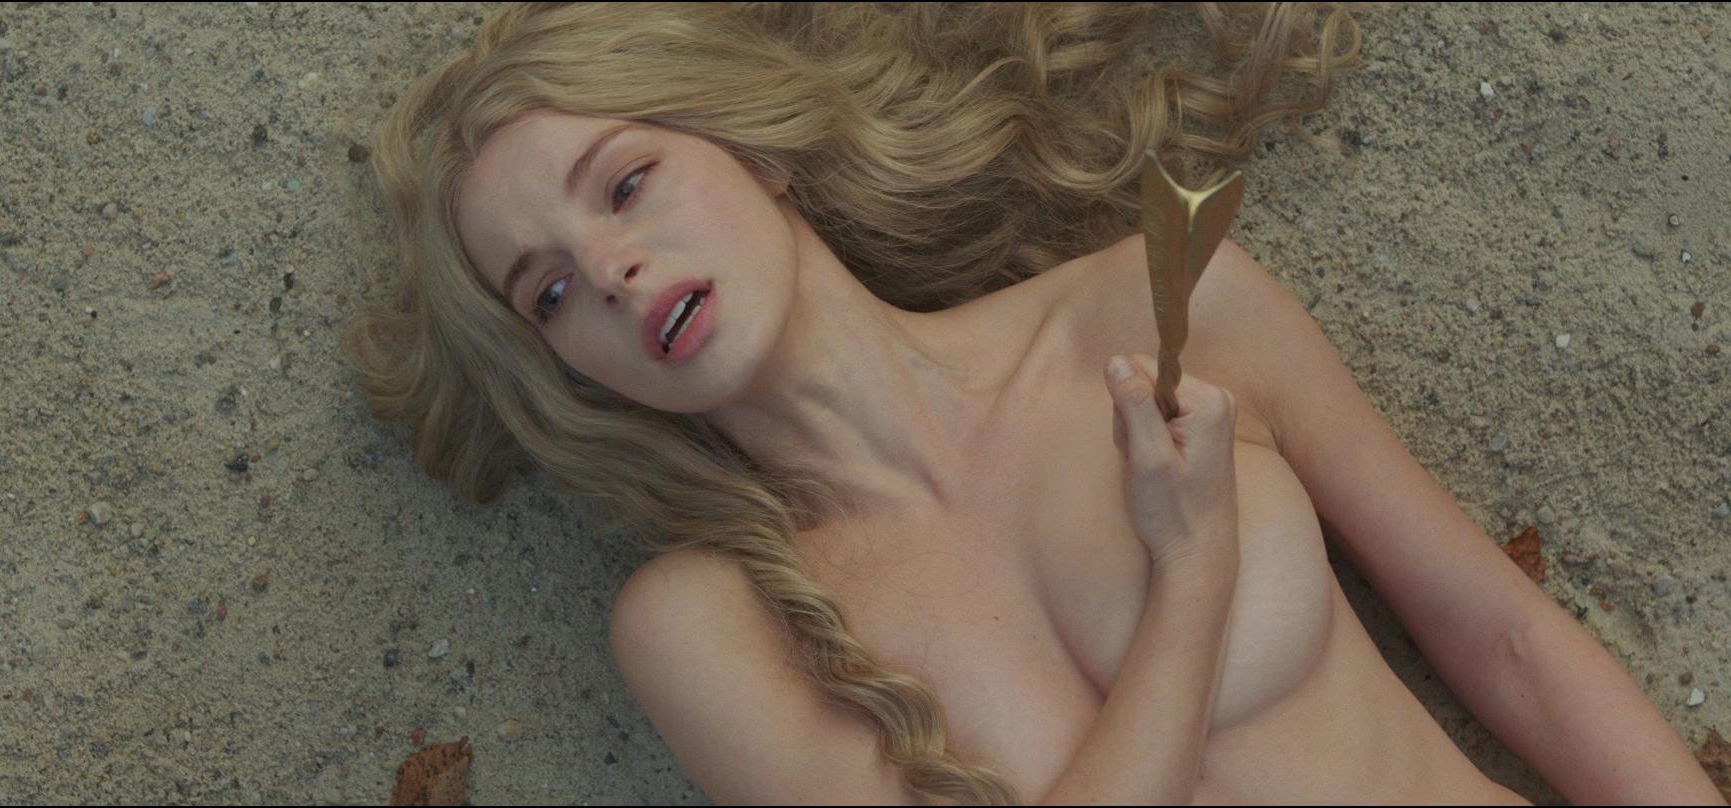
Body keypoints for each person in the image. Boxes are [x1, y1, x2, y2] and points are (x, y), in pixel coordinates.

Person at [340, 3, 1726, 804]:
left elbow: (1499, 635)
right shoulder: (707, 625)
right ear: (571, 366)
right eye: (548, 292)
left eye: (627, 183)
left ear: (755, 154)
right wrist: (1190, 580)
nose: (610, 270)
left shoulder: (1156, 304)